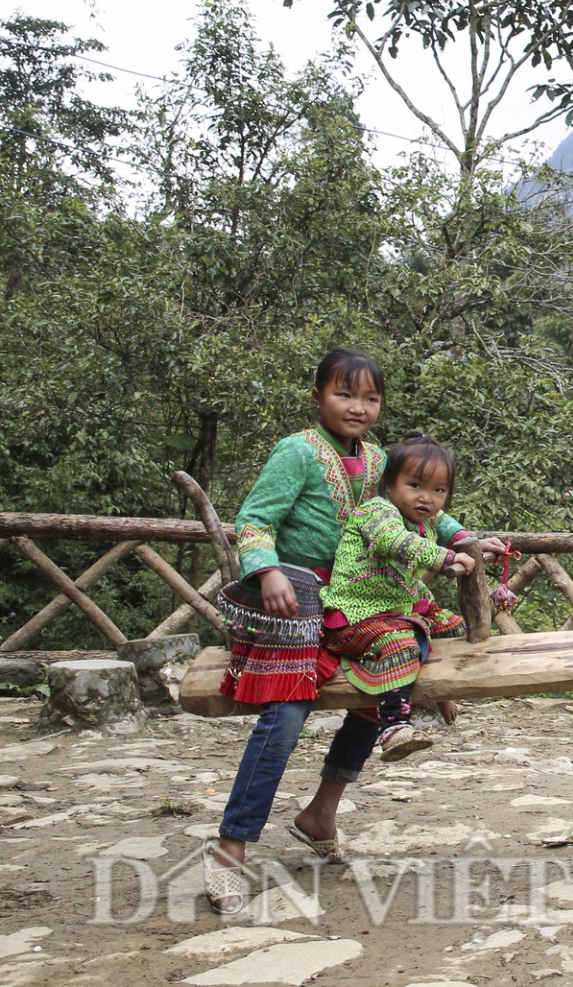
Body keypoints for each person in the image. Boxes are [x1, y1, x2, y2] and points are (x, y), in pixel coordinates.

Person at [207, 350, 395, 910]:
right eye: (344, 394)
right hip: (293, 605)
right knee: (285, 717)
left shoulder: (382, 461)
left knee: (380, 692)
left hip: (356, 604)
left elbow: (419, 507)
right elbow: (255, 518)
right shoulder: (297, 452)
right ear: (317, 398)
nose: (357, 408)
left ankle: (321, 813)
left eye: (370, 398)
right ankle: (230, 850)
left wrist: (460, 540)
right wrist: (264, 568)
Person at [321, 433, 488, 762]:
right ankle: (394, 726)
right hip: (356, 616)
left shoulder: (422, 521)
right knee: (402, 645)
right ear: (390, 485)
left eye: (438, 490)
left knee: (448, 625)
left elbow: (444, 524)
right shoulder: (376, 512)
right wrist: (446, 558)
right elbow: (394, 542)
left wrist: (476, 542)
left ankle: (442, 692)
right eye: (415, 485)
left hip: (394, 611)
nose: (427, 498)